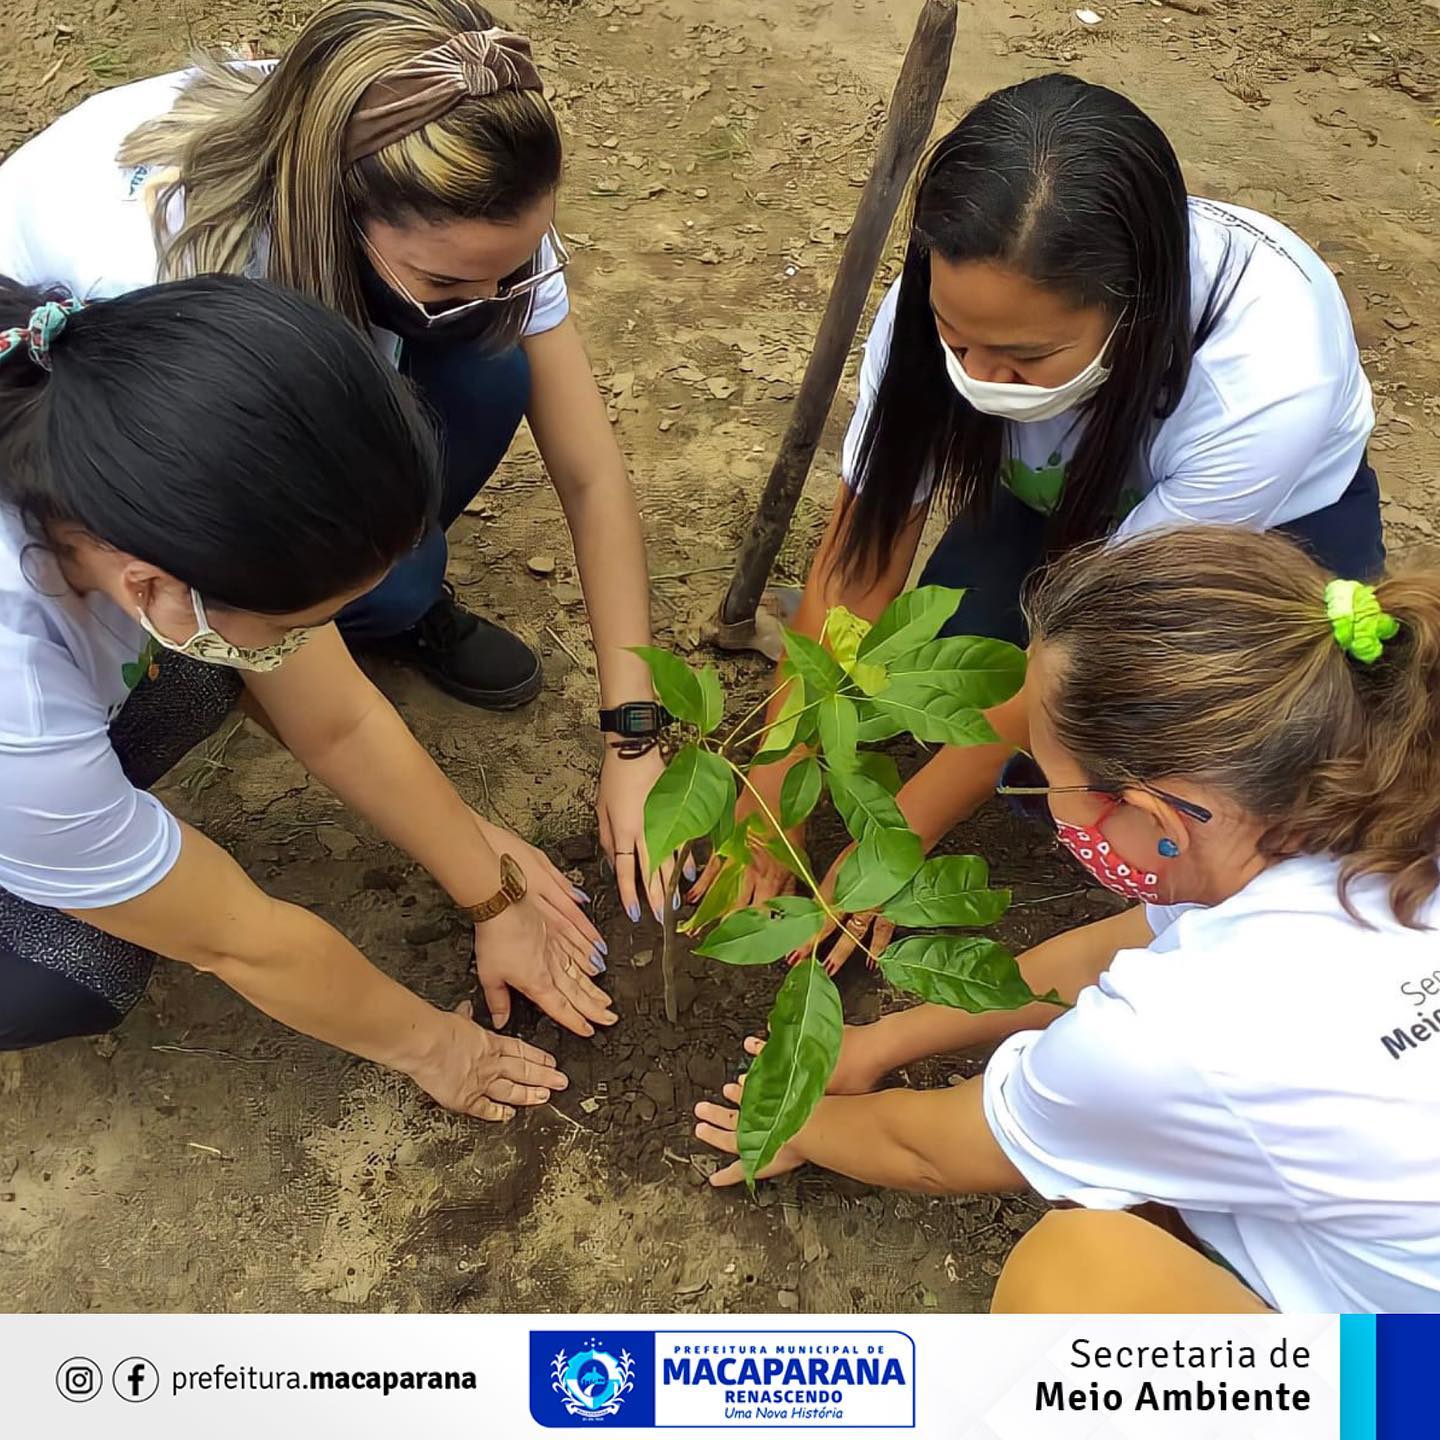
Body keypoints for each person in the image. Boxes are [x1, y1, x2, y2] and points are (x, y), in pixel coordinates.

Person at [0, 0, 679, 924]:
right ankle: (349, 605)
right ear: (334, 211)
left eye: (507, 272)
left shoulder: (452, 177)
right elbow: (328, 716)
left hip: (289, 329)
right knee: (299, 620)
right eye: (446, 283)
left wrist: (633, 736)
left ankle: (383, 601)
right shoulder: (184, 283)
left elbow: (589, 469)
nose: (488, 295)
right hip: (107, 421)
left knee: (490, 369)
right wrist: (484, 875)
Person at [694, 72, 1382, 963]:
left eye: (1024, 355)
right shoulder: (940, 306)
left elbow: (1079, 658)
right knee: (922, 689)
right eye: (956, 339)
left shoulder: (1263, 380)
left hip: (1254, 544)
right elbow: (862, 561)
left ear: (1133, 311)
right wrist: (771, 785)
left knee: (1136, 762)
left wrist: (896, 839)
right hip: (1047, 498)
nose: (977, 373)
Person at [694, 527, 1440, 1313]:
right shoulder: (1371, 807)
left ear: (1159, 817)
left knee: (1075, 1267)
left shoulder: (1176, 1035)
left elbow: (931, 1152)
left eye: (1050, 780)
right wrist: (882, 1042)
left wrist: (794, 1123)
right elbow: (1102, 953)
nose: (1051, 808)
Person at [0, 274, 618, 1115]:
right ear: (150, 585)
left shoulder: (133, 411)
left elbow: (338, 718)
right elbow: (241, 942)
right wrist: (440, 1048)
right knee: (75, 968)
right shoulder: (20, 707)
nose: (320, 638)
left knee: (209, 670)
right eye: (304, 618)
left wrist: (492, 889)